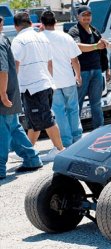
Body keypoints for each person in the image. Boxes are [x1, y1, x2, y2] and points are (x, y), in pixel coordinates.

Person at [11, 12, 64, 162]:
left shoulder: (19, 40)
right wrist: (51, 80)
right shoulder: (42, 37)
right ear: (29, 23)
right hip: (45, 83)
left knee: (45, 118)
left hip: (32, 86)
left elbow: (15, 63)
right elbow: (50, 62)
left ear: (16, 26)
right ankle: (29, 150)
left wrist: (12, 86)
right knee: (34, 121)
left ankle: (59, 149)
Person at [0, 31, 43, 179]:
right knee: (12, 127)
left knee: (3, 131)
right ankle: (32, 159)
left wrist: (3, 94)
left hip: (4, 95)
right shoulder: (3, 38)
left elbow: (2, 71)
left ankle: (0, 168)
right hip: (8, 93)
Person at [40, 11, 83, 148]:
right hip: (68, 79)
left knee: (59, 112)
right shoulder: (65, 36)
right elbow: (74, 60)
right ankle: (77, 138)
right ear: (55, 21)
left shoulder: (39, 38)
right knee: (73, 109)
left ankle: (66, 140)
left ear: (42, 23)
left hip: (51, 81)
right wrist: (78, 75)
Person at [68, 6, 109, 129]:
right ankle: (76, 132)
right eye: (83, 15)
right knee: (78, 104)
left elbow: (103, 52)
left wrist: (107, 69)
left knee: (96, 104)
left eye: (88, 15)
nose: (86, 17)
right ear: (78, 16)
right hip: (82, 72)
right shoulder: (74, 31)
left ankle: (99, 130)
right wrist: (96, 46)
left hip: (96, 71)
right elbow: (77, 46)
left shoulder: (95, 30)